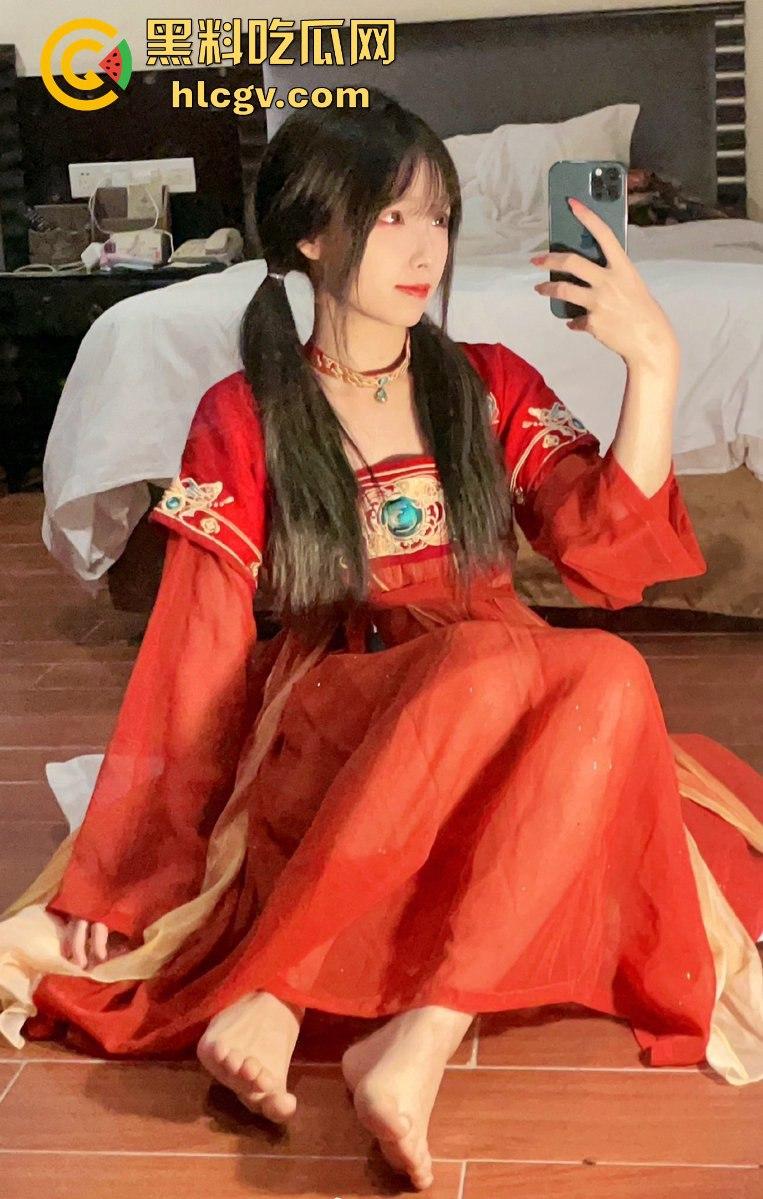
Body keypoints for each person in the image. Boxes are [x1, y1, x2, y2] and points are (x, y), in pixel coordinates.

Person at [1, 88, 762, 1193]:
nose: (424, 247)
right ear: (311, 234)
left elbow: (608, 551)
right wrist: (128, 874)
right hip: (343, 703)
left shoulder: (487, 381)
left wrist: (652, 362)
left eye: (437, 217)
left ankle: (418, 1036)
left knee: (601, 663)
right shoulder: (246, 409)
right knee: (535, 667)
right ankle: (281, 982)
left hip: (504, 678)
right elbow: (195, 645)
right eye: (391, 215)